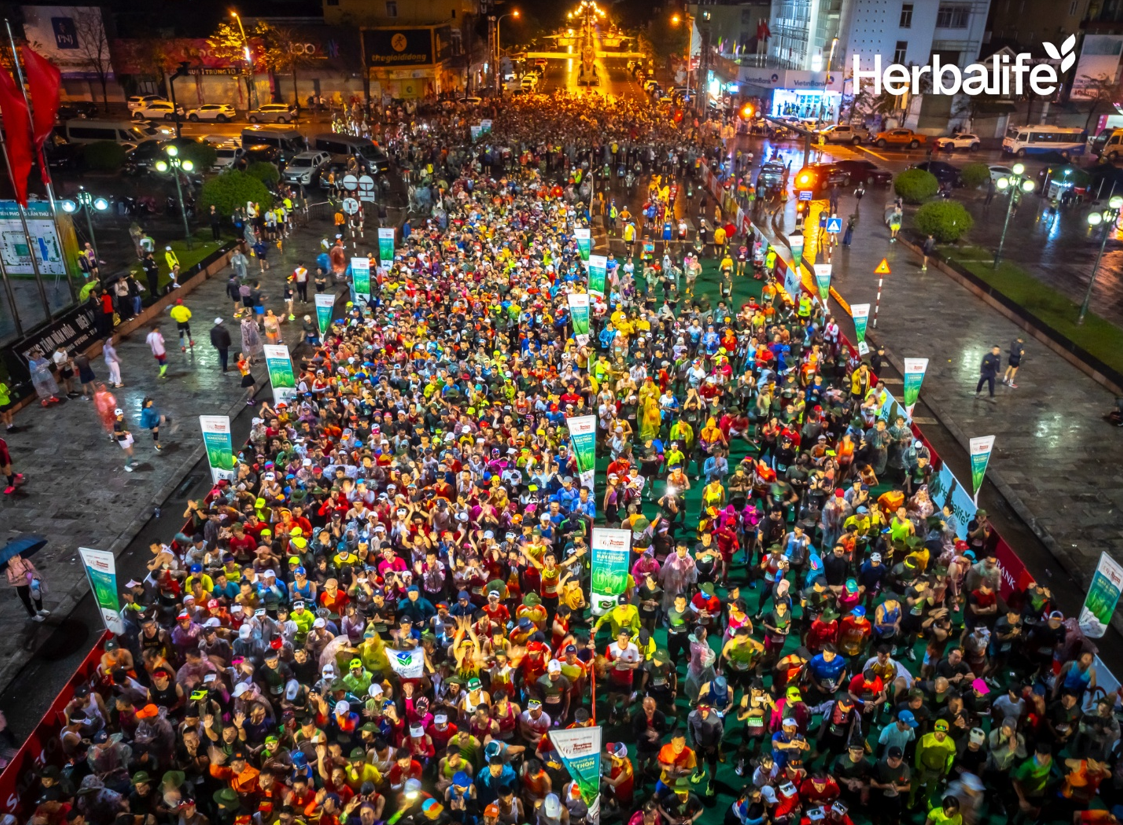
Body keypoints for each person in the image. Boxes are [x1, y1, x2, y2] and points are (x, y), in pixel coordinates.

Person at [5, 552, 47, 621]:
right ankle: (33, 615)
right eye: (12, 559)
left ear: (18, 556)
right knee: (26, 601)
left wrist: (30, 574)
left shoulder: (25, 561)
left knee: (37, 596)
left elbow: (33, 569)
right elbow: (10, 581)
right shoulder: (9, 569)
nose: (15, 559)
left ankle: (40, 609)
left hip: (31, 582)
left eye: (15, 557)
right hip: (21, 586)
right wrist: (18, 578)